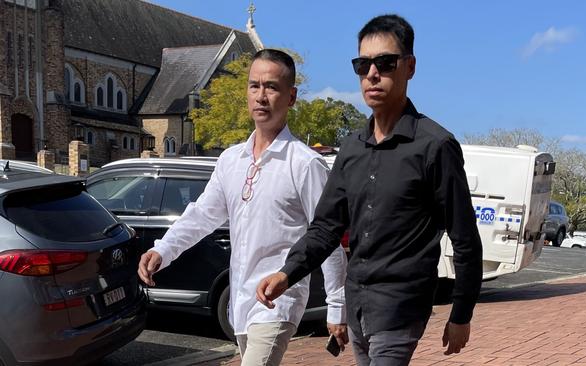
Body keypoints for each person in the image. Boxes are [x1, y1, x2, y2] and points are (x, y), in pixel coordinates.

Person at [256, 14, 483, 365]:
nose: (372, 74)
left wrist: (461, 313)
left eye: (385, 63)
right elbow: (326, 227)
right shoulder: (351, 148)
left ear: (409, 67)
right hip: (358, 302)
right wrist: (288, 273)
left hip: (400, 306)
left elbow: (465, 236)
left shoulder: (435, 146)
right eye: (363, 65)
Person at [138, 49, 348, 366]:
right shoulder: (231, 160)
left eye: (272, 87)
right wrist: (164, 249)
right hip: (241, 301)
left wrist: (337, 306)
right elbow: (202, 215)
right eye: (254, 86)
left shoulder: (305, 164)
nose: (261, 96)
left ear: (291, 97)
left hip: (280, 301)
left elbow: (328, 238)